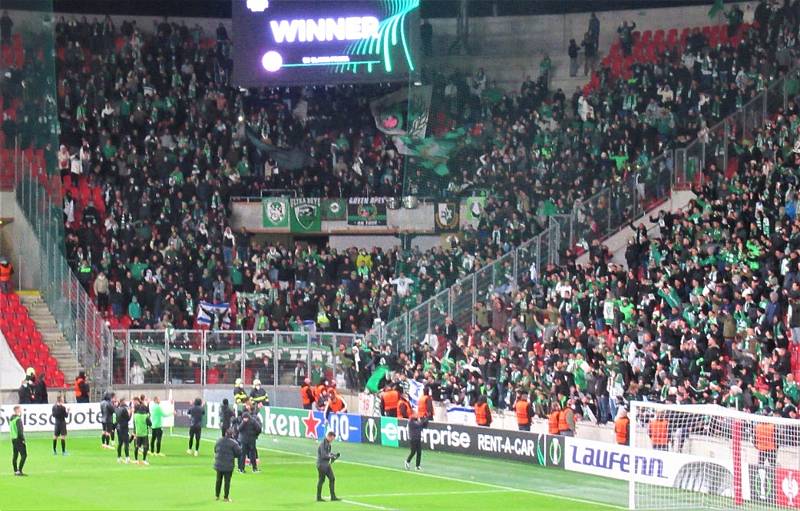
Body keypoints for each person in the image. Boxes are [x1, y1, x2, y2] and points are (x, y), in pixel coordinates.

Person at [214, 428, 242, 502]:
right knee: (227, 481)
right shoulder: (234, 443)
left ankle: (217, 496)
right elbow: (239, 453)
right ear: (232, 435)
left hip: (219, 464)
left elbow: (215, 450)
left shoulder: (219, 441)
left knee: (218, 480)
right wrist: (233, 456)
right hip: (228, 465)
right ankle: (226, 497)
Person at [316, 431, 340, 502]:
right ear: (329, 436)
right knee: (321, 480)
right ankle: (318, 497)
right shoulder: (323, 444)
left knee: (332, 478)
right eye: (332, 439)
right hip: (322, 465)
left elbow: (328, 453)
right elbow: (324, 455)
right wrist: (331, 456)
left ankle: (333, 496)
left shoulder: (328, 444)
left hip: (326, 465)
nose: (332, 440)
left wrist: (334, 455)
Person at [9, 405, 27, 476]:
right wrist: (23, 439)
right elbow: (20, 431)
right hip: (18, 439)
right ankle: (19, 471)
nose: (21, 411)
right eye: (20, 409)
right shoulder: (18, 419)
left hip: (13, 439)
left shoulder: (11, 419)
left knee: (15, 455)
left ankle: (15, 471)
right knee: (24, 455)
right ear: (17, 410)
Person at [133, 397, 151, 465]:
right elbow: (150, 424)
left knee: (137, 447)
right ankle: (144, 460)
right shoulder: (145, 416)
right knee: (145, 446)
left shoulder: (135, 415)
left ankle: (136, 459)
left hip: (138, 433)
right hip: (144, 433)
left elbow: (134, 423)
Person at [115, 398, 131, 463]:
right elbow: (128, 418)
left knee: (120, 443)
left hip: (118, 428)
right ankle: (127, 457)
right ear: (122, 402)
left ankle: (119, 457)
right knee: (126, 443)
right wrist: (130, 413)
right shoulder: (124, 409)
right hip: (124, 428)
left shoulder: (117, 409)